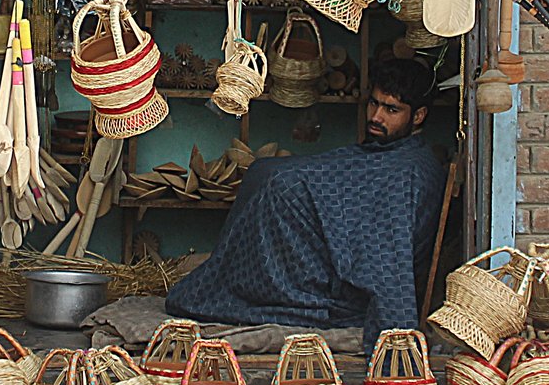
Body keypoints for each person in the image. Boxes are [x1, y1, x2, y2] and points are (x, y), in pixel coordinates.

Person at [165, 58, 448, 349]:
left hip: (342, 285)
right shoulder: (387, 150)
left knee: (278, 184)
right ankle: (228, 278)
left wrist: (294, 188)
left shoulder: (409, 171)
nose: (376, 117)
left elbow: (385, 249)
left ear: (419, 116)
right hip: (331, 249)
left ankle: (237, 287)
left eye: (391, 109)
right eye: (373, 104)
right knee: (263, 173)